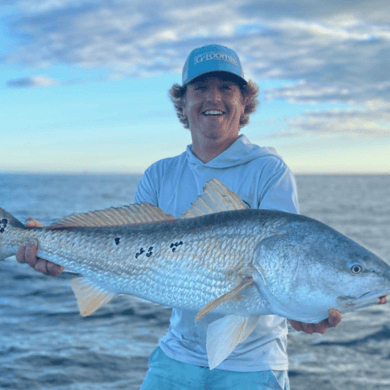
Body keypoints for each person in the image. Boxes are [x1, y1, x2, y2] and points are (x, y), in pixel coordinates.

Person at [16, 44, 342, 390]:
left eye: (226, 88)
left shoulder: (268, 170)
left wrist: (303, 312)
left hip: (253, 365)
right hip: (176, 358)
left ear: (245, 101)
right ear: (183, 102)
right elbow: (126, 257)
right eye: (200, 88)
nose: (212, 97)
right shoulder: (159, 175)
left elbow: (288, 263)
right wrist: (54, 250)